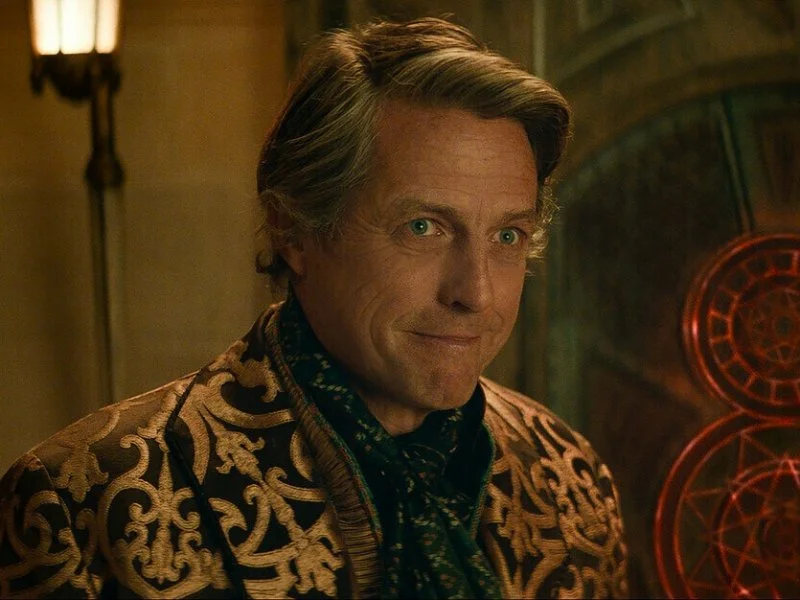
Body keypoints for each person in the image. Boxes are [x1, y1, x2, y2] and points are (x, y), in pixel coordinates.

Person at [0, 17, 628, 599]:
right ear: (294, 229)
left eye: (508, 236)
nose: (477, 294)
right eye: (422, 227)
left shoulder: (570, 478)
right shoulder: (80, 507)